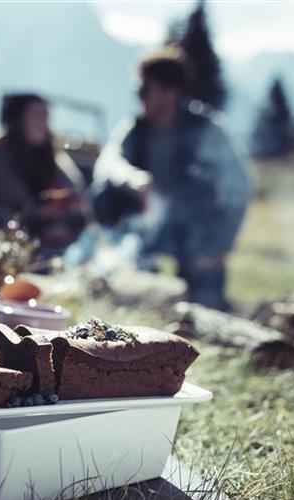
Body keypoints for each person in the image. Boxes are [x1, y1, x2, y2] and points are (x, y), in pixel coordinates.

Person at [92, 47, 252, 311]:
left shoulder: (206, 130)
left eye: (146, 90)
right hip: (148, 239)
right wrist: (133, 179)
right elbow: (108, 163)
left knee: (202, 314)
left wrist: (220, 246)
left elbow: (238, 190)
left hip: (200, 244)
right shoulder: (136, 128)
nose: (140, 98)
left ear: (171, 91)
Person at [0, 93, 87, 253]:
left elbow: (74, 191)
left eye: (46, 116)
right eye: (36, 116)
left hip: (47, 238)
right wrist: (34, 214)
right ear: (18, 118)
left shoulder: (48, 153)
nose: (43, 123)